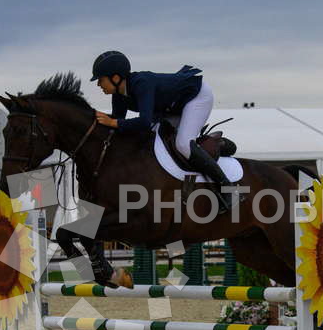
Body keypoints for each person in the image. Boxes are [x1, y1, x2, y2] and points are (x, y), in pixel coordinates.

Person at [91, 50, 235, 213]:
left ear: (116, 78)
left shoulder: (141, 83)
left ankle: (227, 186)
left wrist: (113, 122)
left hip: (196, 96)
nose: (98, 85)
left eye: (100, 80)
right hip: (172, 107)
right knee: (151, 141)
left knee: (183, 144)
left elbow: (143, 122)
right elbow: (118, 121)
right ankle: (211, 147)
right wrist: (94, 119)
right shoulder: (119, 94)